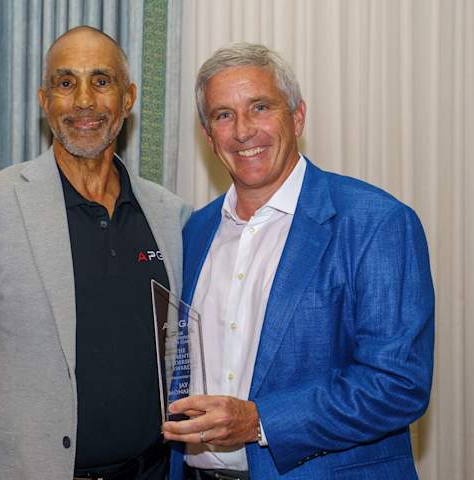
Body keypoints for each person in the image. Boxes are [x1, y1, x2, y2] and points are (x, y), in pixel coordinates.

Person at [0, 26, 190, 479]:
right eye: (65, 82)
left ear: (128, 98)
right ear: (43, 100)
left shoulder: (170, 216)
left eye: (101, 81)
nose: (83, 101)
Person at [162, 43, 435, 479]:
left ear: (297, 117)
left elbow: (397, 385)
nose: (243, 131)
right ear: (209, 136)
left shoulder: (376, 222)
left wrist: (259, 422)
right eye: (223, 115)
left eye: (260, 107)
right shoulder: (194, 231)